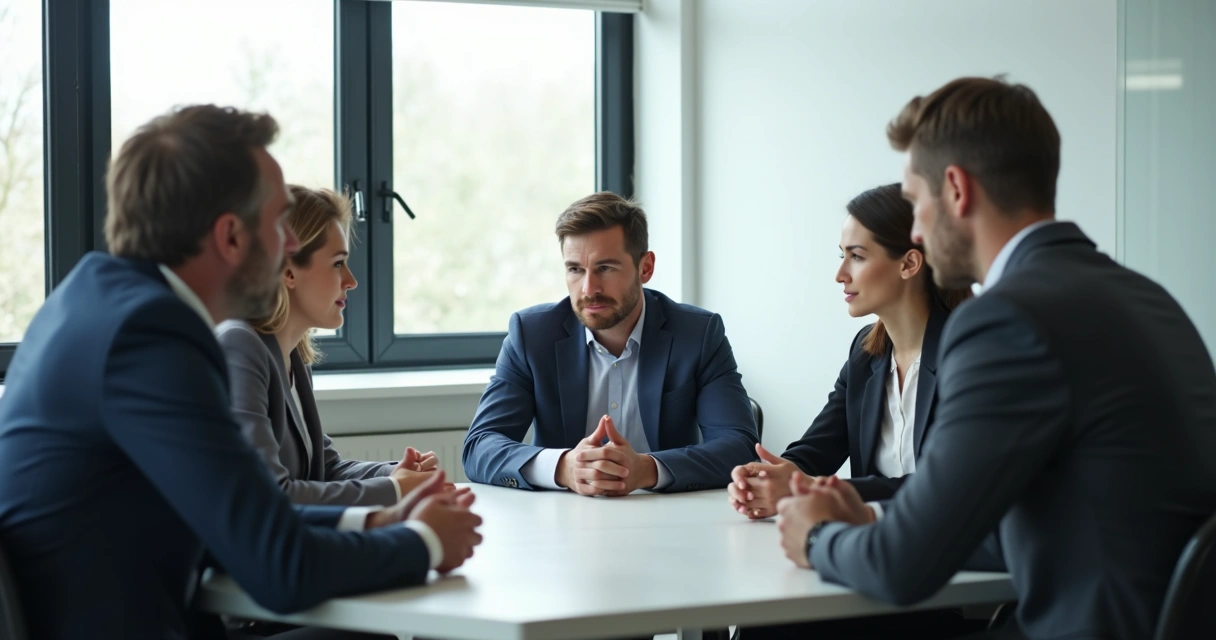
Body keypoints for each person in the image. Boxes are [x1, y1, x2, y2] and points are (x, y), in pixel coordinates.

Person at [0, 105, 483, 640]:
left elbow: (242, 513)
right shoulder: (153, 336)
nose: (292, 246)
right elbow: (279, 567)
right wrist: (426, 543)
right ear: (231, 237)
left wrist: (373, 521)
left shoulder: (97, 296)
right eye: (279, 222)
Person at [776, 77, 1216, 640]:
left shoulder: (1007, 320)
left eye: (914, 202)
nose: (914, 229)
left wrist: (816, 538)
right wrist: (876, 517)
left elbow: (903, 566)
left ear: (955, 190)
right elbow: (1045, 524)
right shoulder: (1145, 297)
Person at [462, 192, 758, 495]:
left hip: (668, 519)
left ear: (645, 268)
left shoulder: (697, 334)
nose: (589, 289)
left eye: (605, 268)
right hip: (559, 523)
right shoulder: (532, 335)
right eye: (575, 269)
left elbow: (739, 447)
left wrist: (647, 470)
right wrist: (564, 467)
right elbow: (480, 447)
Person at [728, 183, 969, 521]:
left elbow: (947, 485)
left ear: (909, 263)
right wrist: (766, 476)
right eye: (842, 256)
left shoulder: (968, 354)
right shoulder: (866, 353)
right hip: (879, 542)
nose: (840, 275)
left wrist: (815, 489)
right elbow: (817, 449)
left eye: (857, 256)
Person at [218, 185, 442, 507]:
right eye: (338, 263)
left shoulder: (293, 356)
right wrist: (394, 490)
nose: (351, 280)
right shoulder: (239, 347)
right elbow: (269, 494)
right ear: (288, 270)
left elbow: (325, 470)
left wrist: (396, 473)